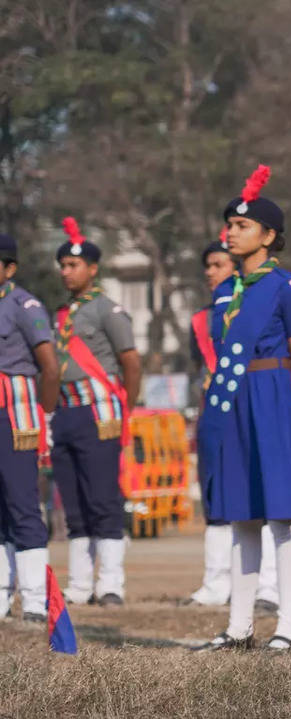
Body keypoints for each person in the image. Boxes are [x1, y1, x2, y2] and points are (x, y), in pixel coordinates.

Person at [195, 165, 291, 652]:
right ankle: (239, 626)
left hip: (273, 397)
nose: (231, 232)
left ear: (269, 236)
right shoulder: (226, 293)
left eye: (242, 226)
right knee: (242, 517)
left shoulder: (289, 289)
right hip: (233, 401)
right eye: (230, 224)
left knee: (283, 518)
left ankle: (286, 625)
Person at [185, 232, 280, 614]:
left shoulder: (256, 301)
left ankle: (268, 587)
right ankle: (215, 582)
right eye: (208, 266)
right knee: (215, 493)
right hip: (216, 409)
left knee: (262, 497)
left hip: (252, 404)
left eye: (219, 264)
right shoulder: (200, 321)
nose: (212, 273)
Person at [51, 217, 141, 606]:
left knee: (103, 498)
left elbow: (131, 362)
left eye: (74, 266)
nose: (67, 272)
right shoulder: (58, 315)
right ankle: (80, 584)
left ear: (93, 268)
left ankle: (110, 584)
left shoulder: (109, 310)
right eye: (64, 266)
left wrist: (126, 409)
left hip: (99, 410)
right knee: (72, 503)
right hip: (65, 412)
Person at [0, 232, 59, 622]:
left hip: (15, 412)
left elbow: (50, 366)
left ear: (10, 268)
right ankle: (2, 596)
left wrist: (46, 418)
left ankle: (36, 600)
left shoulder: (24, 305)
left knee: (23, 504)